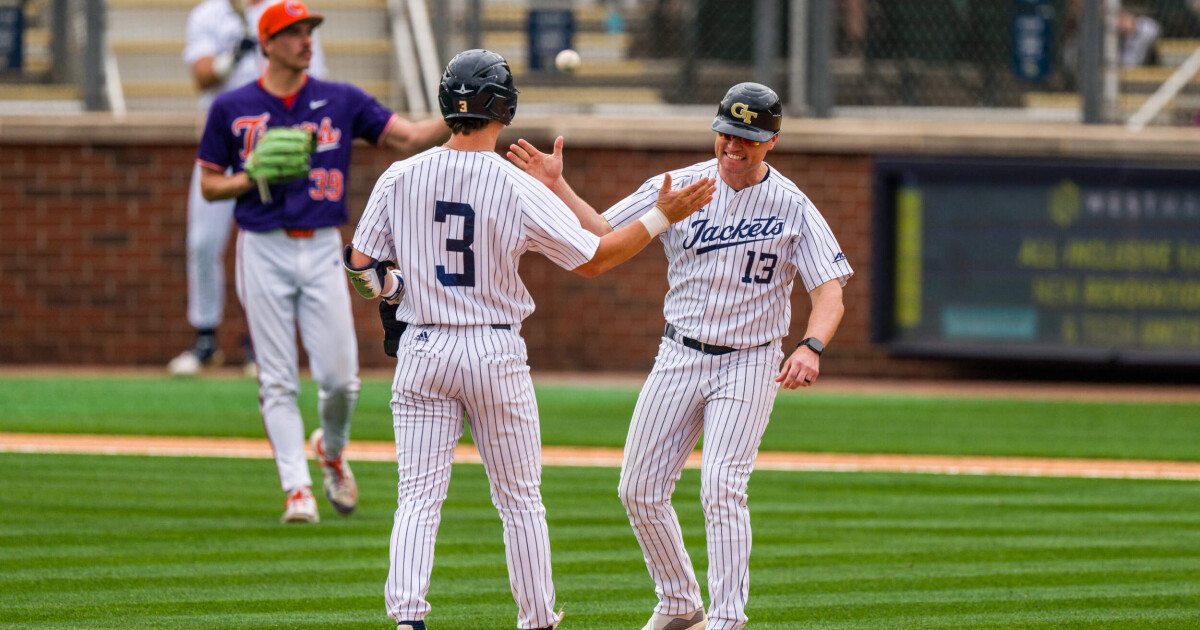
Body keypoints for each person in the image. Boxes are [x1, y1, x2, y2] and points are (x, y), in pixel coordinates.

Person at [344, 49, 715, 630]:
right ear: (504, 107)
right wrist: (662, 215)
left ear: (447, 105)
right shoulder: (515, 185)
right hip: (493, 351)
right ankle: (537, 620)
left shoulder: (400, 174)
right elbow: (597, 260)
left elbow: (361, 267)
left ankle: (408, 619)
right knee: (519, 500)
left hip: (422, 351)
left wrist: (395, 291)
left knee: (417, 497)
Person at [507, 83, 853, 630]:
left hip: (750, 360)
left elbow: (829, 289)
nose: (734, 146)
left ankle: (727, 618)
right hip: (679, 353)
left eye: (749, 138)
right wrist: (558, 187)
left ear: (772, 142)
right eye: (728, 134)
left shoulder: (792, 205)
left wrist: (811, 346)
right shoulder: (677, 186)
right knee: (638, 489)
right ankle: (678, 602)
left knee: (721, 486)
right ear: (716, 132)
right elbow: (603, 232)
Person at [195, 0, 449, 523]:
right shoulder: (232, 107)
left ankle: (331, 452)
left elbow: (407, 137)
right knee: (278, 379)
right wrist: (250, 178)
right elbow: (209, 183)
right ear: (266, 43)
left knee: (341, 381)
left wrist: (466, 112)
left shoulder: (339, 98)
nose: (306, 39)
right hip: (261, 244)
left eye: (309, 29)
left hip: (322, 247)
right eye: (292, 32)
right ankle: (296, 490)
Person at [171, 0, 330, 377]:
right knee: (204, 243)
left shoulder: (286, 12)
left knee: (266, 244)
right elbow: (202, 74)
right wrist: (233, 55)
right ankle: (205, 338)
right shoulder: (209, 14)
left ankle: (256, 344)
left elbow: (312, 77)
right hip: (224, 144)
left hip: (274, 144)